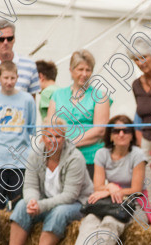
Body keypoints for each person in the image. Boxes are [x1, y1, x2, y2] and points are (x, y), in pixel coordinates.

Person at [0, 119, 93, 245]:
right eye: (50, 136)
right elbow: (30, 186)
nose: (53, 141)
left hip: (77, 204)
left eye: (58, 137)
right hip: (46, 200)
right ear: (43, 137)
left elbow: (70, 196)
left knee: (59, 213)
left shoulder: (75, 158)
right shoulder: (35, 155)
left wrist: (41, 206)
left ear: (64, 138)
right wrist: (32, 201)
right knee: (21, 206)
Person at [73, 115, 146, 245]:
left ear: (132, 135)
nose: (121, 134)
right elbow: (97, 186)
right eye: (116, 131)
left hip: (132, 204)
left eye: (126, 131)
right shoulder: (102, 154)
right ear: (110, 136)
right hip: (108, 202)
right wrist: (109, 188)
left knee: (112, 220)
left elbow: (136, 189)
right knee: (90, 219)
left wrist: (113, 190)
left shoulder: (138, 155)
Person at [47, 49, 112, 178]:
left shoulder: (100, 96)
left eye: (88, 70)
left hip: (91, 159)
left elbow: (100, 130)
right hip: (61, 158)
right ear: (71, 71)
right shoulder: (57, 95)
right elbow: (50, 126)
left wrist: (69, 144)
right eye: (80, 69)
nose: (84, 74)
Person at [0, 60, 36, 209]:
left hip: (20, 161)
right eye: (5, 78)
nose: (9, 82)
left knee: (20, 204)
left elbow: (31, 128)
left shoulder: (27, 100)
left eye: (12, 78)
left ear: (17, 77)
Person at [129, 39, 151, 225]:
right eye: (136, 59)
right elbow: (138, 116)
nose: (141, 63)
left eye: (144, 57)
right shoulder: (136, 85)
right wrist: (142, 146)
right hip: (146, 140)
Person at [0, 19, 40, 96]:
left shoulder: (29, 66)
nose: (5, 42)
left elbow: (32, 101)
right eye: (1, 39)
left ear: (14, 39)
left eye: (9, 38)